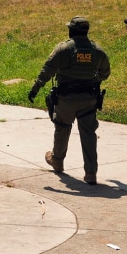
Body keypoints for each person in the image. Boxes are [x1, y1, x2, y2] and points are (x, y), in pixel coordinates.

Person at [28, 16, 111, 185]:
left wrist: (35, 88)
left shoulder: (63, 49)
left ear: (71, 31)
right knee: (88, 134)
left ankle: (57, 161)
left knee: (62, 127)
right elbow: (105, 72)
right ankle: (91, 172)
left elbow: (47, 69)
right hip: (88, 99)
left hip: (66, 98)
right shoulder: (97, 50)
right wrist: (94, 81)